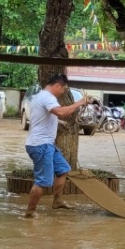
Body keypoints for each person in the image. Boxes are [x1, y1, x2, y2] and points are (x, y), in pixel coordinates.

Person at [23, 73, 89, 218]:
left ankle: (57, 201)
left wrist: (58, 123)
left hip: (46, 144)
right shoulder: (48, 97)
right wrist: (80, 103)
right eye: (63, 89)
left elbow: (42, 117)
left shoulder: (40, 96)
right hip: (40, 145)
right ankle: (30, 212)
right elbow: (60, 112)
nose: (62, 92)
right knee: (42, 181)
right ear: (58, 85)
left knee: (63, 169)